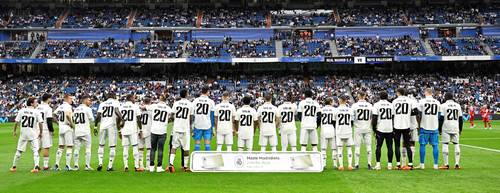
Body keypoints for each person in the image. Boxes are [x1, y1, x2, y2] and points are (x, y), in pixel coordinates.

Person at [10, 97, 44, 173]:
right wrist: (41, 133)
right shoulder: (36, 112)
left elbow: (16, 122)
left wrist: (14, 131)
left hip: (23, 133)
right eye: (35, 102)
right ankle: (36, 167)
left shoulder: (21, 111)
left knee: (19, 150)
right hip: (33, 134)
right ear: (31, 103)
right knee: (35, 150)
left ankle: (14, 167)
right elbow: (41, 123)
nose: (37, 103)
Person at [95, 92, 123, 171]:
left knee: (101, 145)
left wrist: (95, 126)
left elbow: (97, 116)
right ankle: (110, 166)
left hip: (102, 126)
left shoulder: (102, 104)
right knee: (112, 146)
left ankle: (100, 163)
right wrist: (122, 119)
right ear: (114, 96)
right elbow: (117, 111)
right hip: (111, 126)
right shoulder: (115, 102)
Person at [392, 88, 417, 170]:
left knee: (397, 145)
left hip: (397, 125)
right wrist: (409, 113)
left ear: (398, 93)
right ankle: (410, 164)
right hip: (406, 125)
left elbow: (392, 114)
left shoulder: (395, 101)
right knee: (407, 145)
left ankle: (398, 164)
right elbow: (416, 112)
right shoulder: (409, 100)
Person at [169, 89, 194, 172]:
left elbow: (172, 115)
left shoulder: (176, 103)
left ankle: (171, 164)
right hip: (185, 128)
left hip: (176, 127)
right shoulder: (190, 104)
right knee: (186, 148)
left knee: (174, 147)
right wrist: (190, 126)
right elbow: (191, 117)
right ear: (186, 94)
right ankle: (186, 166)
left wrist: (175, 120)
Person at [438, 92, 464, 170]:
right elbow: (460, 119)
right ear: (452, 98)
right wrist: (460, 129)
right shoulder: (458, 105)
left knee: (445, 144)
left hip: (446, 127)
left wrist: (439, 129)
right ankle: (457, 164)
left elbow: (441, 118)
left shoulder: (443, 106)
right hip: (455, 127)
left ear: (445, 98)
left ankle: (446, 164)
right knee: (456, 144)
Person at [118, 94, 143, 172]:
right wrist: (141, 129)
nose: (134, 99)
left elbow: (118, 119)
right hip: (132, 130)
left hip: (124, 130)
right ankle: (136, 166)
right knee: (135, 147)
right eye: (134, 98)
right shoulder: (135, 106)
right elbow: (139, 119)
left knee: (125, 148)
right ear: (131, 98)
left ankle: (126, 166)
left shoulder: (121, 106)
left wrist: (119, 130)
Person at [417, 88, 441, 170]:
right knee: (435, 145)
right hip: (434, 126)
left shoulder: (422, 101)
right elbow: (439, 115)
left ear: (426, 92)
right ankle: (435, 165)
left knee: (422, 145)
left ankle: (422, 164)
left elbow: (418, 114)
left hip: (424, 125)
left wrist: (419, 125)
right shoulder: (437, 102)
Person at [149, 94, 173, 172]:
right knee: (160, 149)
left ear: (159, 99)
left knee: (153, 149)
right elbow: (172, 116)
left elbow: (145, 107)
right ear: (165, 100)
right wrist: (167, 121)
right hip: (162, 131)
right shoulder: (168, 108)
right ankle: (159, 167)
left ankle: (151, 167)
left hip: (154, 130)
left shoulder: (154, 106)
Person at [372, 91, 394, 170]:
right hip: (389, 128)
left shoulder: (376, 105)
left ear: (379, 96)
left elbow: (374, 118)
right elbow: (393, 117)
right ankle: (390, 165)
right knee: (390, 147)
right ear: (387, 97)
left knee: (378, 146)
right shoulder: (391, 105)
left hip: (380, 128)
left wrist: (374, 129)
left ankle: (378, 164)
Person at [351, 91, 373, 170]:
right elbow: (373, 117)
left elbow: (351, 117)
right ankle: (369, 164)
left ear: (358, 96)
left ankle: (356, 164)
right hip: (367, 128)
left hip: (358, 128)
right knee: (369, 146)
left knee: (357, 146)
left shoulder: (354, 105)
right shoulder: (370, 105)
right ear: (365, 95)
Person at [72, 95, 95, 171]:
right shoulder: (87, 109)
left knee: (76, 148)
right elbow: (92, 119)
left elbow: (74, 119)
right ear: (84, 100)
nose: (90, 102)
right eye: (89, 100)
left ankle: (76, 165)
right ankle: (87, 166)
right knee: (88, 148)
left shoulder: (76, 109)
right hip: (85, 131)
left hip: (77, 131)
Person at [54, 94, 75, 171]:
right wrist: (72, 125)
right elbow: (67, 116)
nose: (71, 100)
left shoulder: (60, 106)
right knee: (69, 146)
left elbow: (53, 114)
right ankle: (68, 166)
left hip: (61, 127)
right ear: (66, 99)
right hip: (67, 127)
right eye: (70, 98)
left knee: (61, 146)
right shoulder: (68, 106)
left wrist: (58, 122)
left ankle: (56, 165)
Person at [334, 95, 354, 171]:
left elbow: (334, 121)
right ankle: (350, 165)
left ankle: (341, 166)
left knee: (340, 149)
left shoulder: (336, 110)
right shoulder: (350, 110)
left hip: (339, 131)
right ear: (346, 101)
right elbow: (351, 121)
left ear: (339, 100)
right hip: (348, 131)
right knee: (349, 148)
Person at [192, 86, 215, 151]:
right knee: (207, 144)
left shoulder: (195, 100)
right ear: (207, 91)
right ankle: (207, 160)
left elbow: (192, 114)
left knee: (197, 143)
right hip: (207, 125)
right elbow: (212, 115)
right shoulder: (211, 101)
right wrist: (213, 127)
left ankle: (197, 160)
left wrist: (192, 125)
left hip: (197, 124)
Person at [36, 93, 55, 170]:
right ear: (48, 99)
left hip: (37, 129)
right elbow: (49, 121)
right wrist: (52, 130)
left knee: (37, 148)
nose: (51, 99)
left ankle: (36, 164)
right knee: (46, 147)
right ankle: (45, 165)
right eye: (51, 98)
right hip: (45, 129)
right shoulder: (48, 108)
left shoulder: (37, 107)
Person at [320, 97, 336, 169]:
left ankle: (323, 164)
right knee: (334, 148)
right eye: (332, 101)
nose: (333, 102)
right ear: (330, 102)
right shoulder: (334, 110)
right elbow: (335, 121)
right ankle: (335, 164)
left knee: (323, 149)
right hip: (332, 129)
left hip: (324, 130)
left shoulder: (321, 109)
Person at [139, 97, 153, 171]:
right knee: (149, 148)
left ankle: (141, 165)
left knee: (141, 148)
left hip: (140, 130)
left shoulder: (139, 110)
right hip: (148, 130)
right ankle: (148, 165)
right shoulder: (151, 110)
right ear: (150, 102)